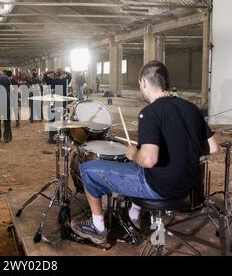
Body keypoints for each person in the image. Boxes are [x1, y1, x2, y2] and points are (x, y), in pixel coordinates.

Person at [70, 61, 220, 246]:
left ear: (143, 82)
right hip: (186, 186)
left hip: (158, 187)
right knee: (136, 166)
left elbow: (148, 160)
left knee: (88, 170)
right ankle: (133, 215)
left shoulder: (151, 112)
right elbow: (213, 148)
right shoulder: (191, 109)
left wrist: (133, 153)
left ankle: (98, 227)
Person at [42, 68, 72, 144]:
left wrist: (52, 70)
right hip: (62, 104)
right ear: (61, 75)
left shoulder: (50, 81)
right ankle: (63, 137)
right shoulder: (64, 81)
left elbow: (44, 74)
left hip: (53, 104)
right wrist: (62, 71)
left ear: (54, 75)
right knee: (63, 120)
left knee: (52, 121)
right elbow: (70, 75)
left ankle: (52, 138)